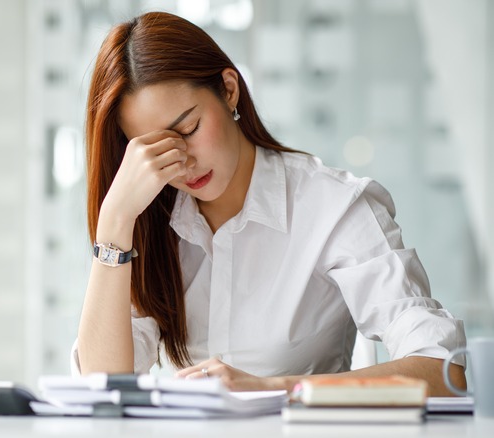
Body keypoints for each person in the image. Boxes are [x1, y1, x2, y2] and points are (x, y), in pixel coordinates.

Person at [73, 11, 466, 396]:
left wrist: (272, 388)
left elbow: (442, 370)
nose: (183, 163)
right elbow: (101, 386)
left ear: (229, 90)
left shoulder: (331, 206)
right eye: (155, 152)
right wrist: (115, 221)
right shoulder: (149, 222)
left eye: (189, 129)